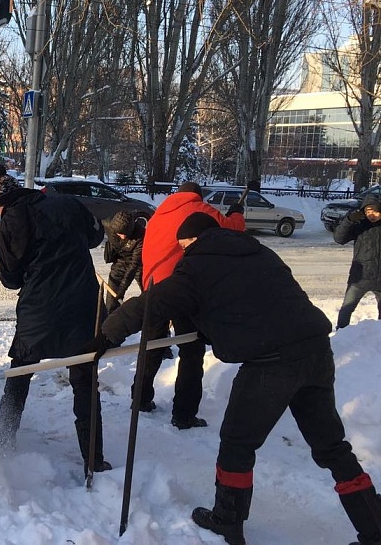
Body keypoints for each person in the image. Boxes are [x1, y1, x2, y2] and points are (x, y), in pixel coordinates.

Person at [94, 212, 381, 545]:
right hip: (315, 349)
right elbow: (251, 300)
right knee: (332, 447)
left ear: (193, 241)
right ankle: (374, 527)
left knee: (237, 444)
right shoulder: (258, 252)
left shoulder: (197, 266)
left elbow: (152, 303)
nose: (183, 251)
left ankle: (227, 521)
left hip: (270, 363)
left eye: (184, 244)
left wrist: (105, 336)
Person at [0, 174, 111, 473]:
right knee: (84, 383)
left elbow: (14, 280)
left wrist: (3, 273)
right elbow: (95, 236)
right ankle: (94, 459)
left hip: (39, 312)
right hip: (84, 307)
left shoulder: (4, 229)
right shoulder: (66, 203)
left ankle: (3, 441)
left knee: (20, 374)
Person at [137, 181, 245, 429]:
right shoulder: (198, 210)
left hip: (153, 287)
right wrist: (236, 212)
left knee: (152, 345)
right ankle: (184, 414)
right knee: (191, 350)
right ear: (197, 196)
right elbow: (232, 230)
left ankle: (140, 398)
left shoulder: (160, 211)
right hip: (182, 288)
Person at [333, 194, 381, 329]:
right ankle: (341, 336)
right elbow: (339, 239)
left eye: (375, 211)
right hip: (360, 278)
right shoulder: (360, 225)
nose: (371, 215)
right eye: (368, 211)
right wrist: (348, 220)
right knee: (346, 309)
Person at [103, 211, 144, 313]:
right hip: (120, 260)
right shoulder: (108, 225)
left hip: (138, 263)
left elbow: (134, 265)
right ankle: (110, 322)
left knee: (148, 291)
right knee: (112, 299)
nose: (123, 237)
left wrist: (122, 289)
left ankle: (150, 317)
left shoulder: (140, 234)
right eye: (119, 234)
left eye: (125, 234)